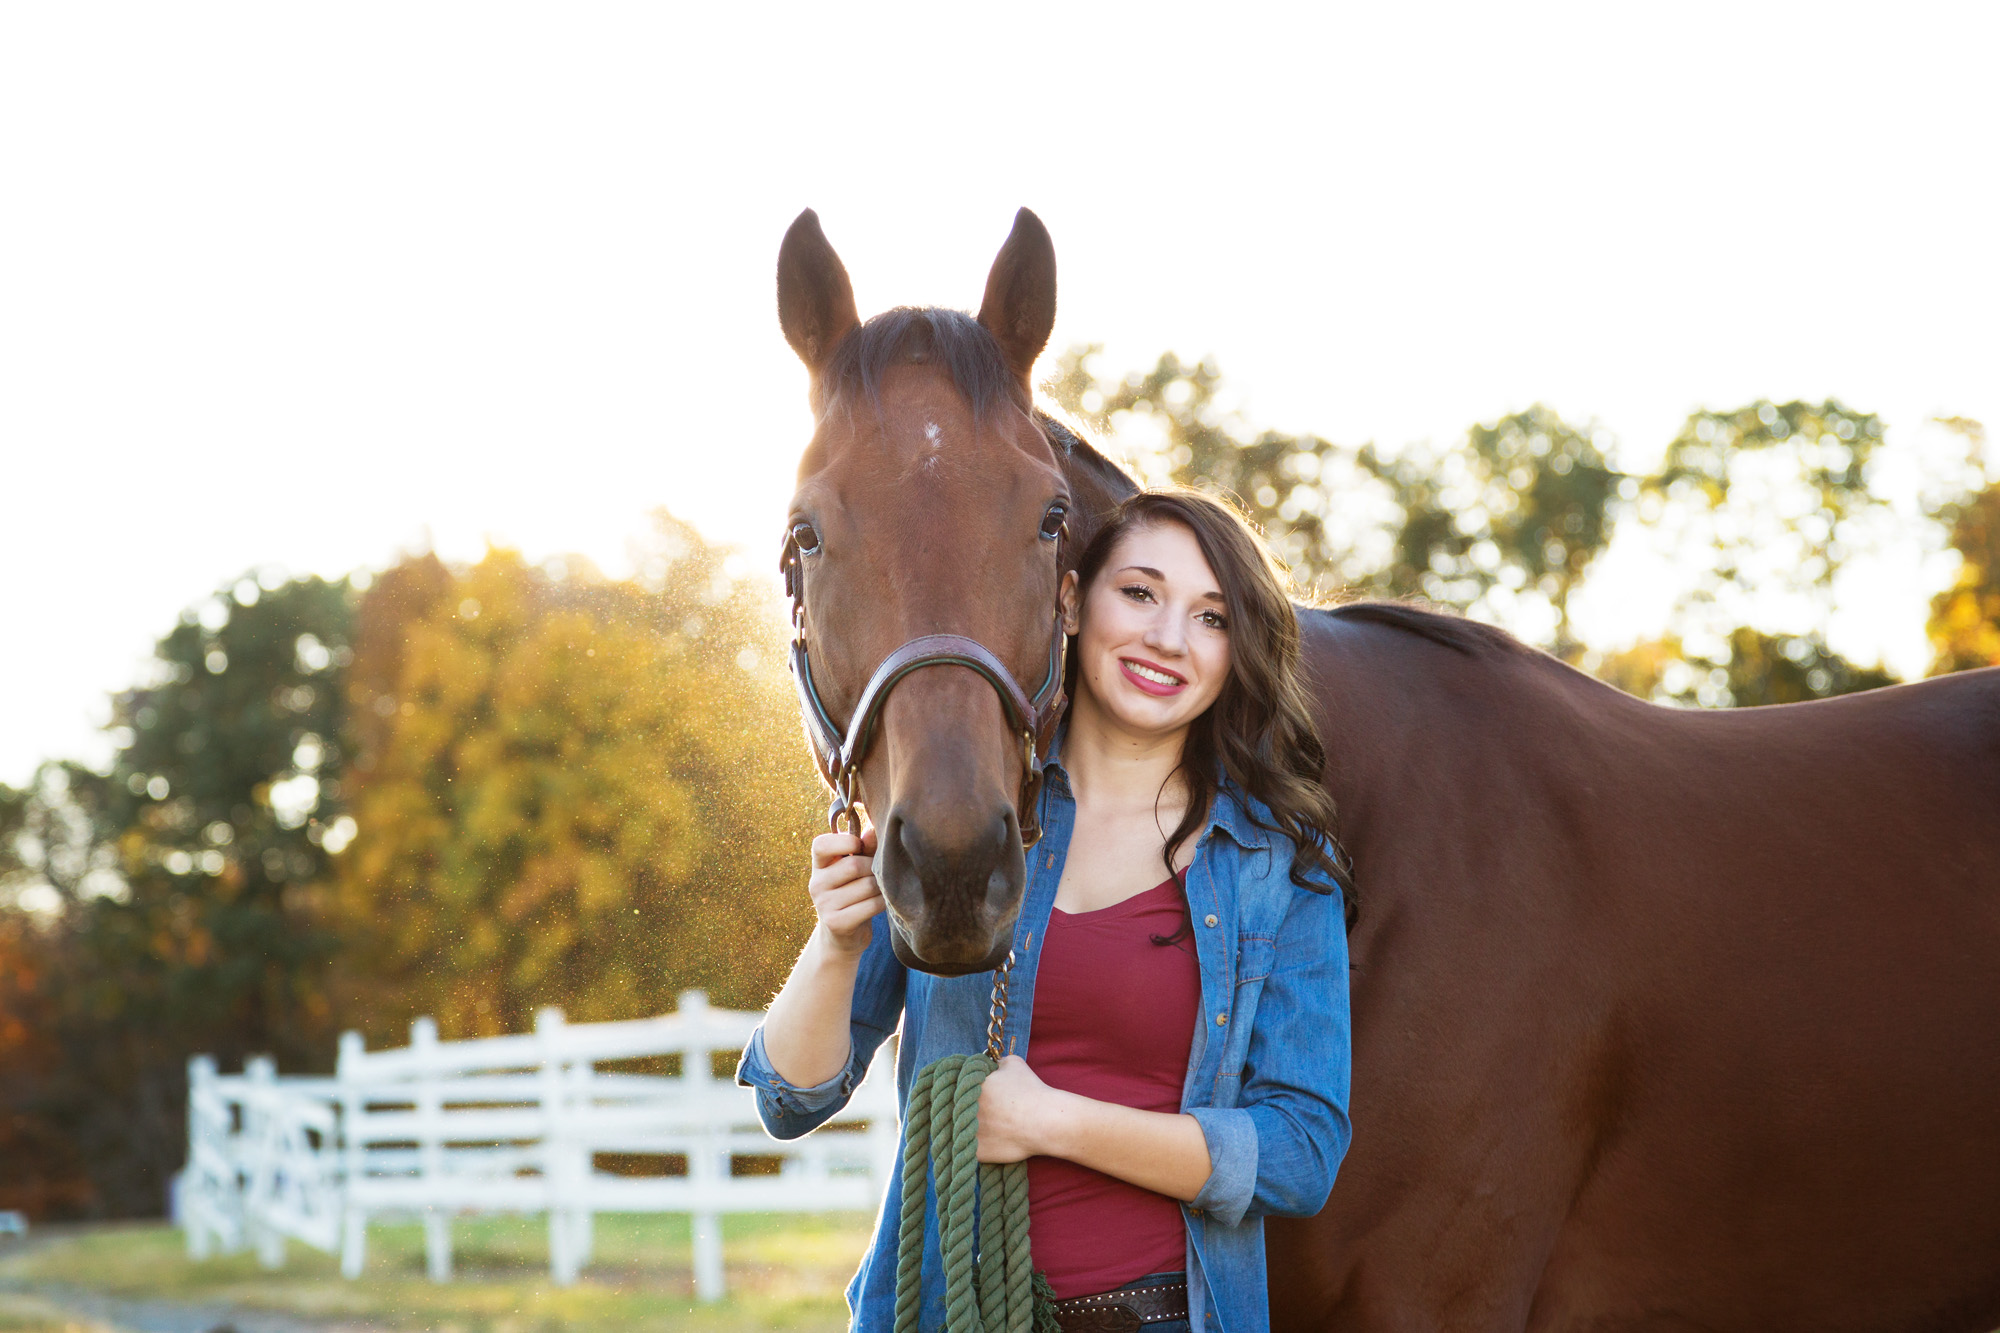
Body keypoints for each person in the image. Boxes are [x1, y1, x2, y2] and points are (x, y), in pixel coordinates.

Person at [738, 489, 1353, 1333]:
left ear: (1237, 647)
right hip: (949, 1314)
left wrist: (1055, 1121)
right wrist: (838, 941)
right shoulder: (966, 822)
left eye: (1211, 617)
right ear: (1070, 601)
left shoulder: (1278, 869)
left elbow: (1300, 1149)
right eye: (1138, 593)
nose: (1168, 639)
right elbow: (789, 1100)